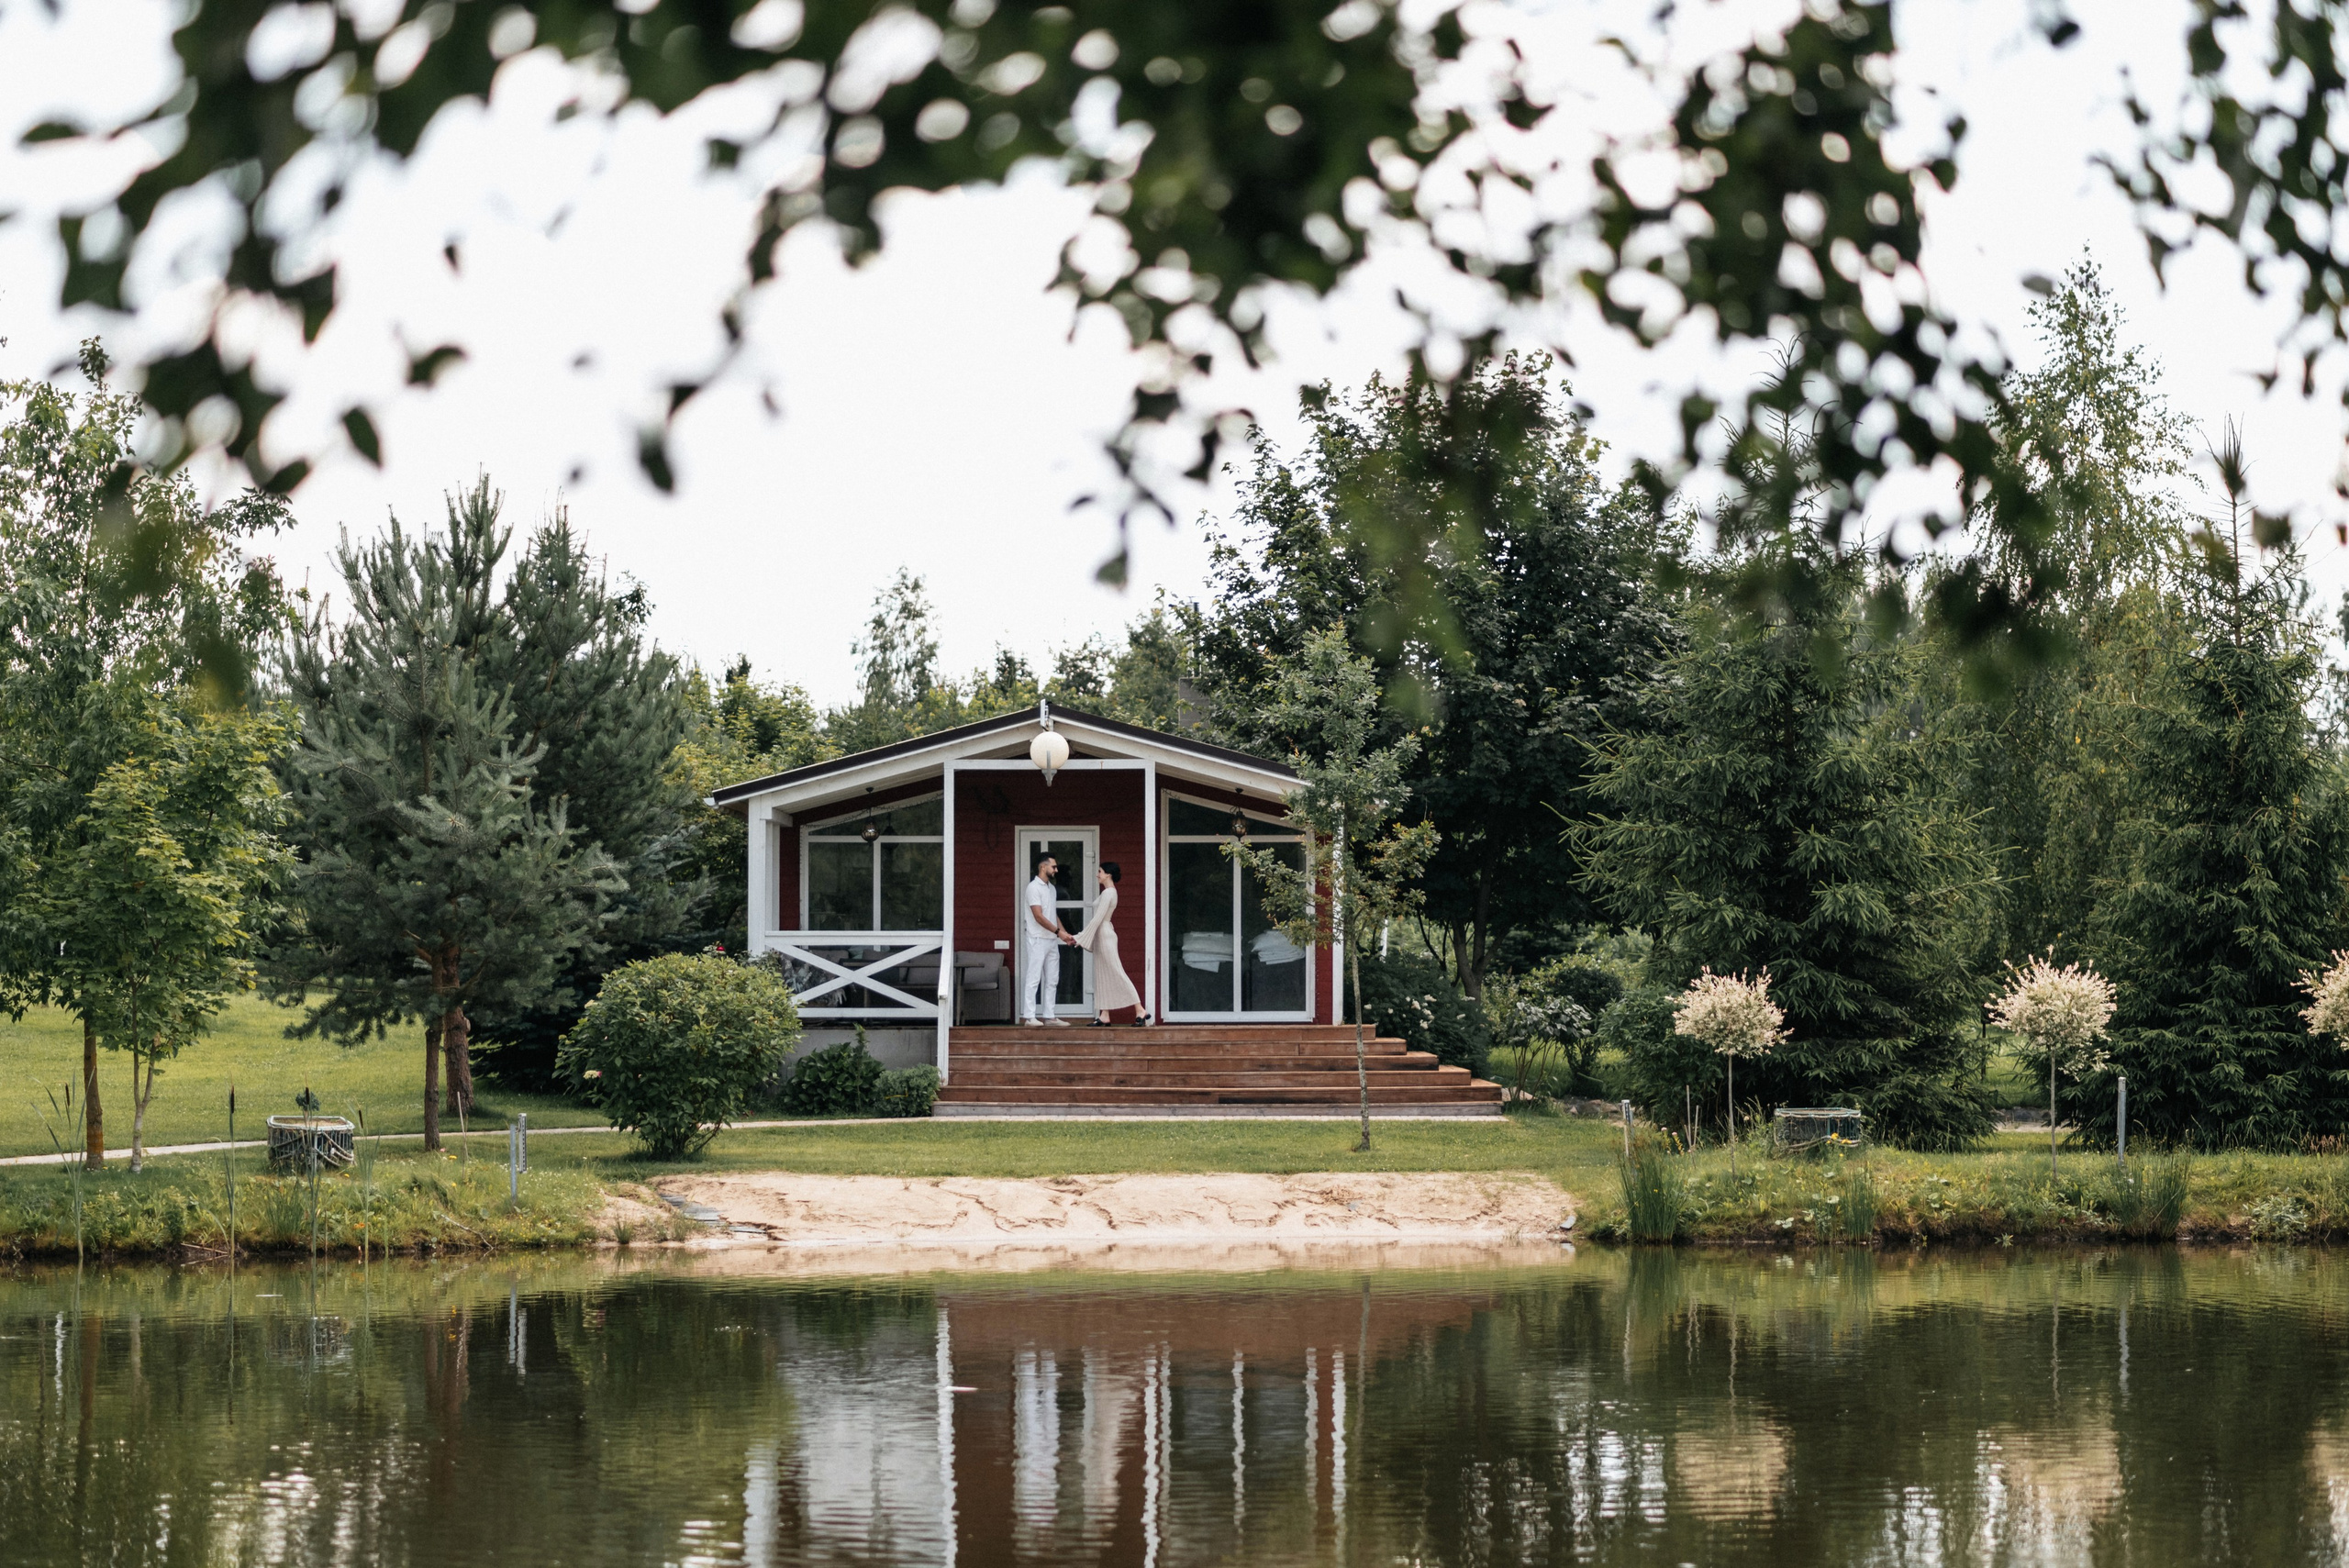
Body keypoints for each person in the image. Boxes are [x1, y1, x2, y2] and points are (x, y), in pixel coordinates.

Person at [1074, 862, 1146, 1026]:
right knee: (1102, 974)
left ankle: (1140, 1009)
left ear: (1108, 874)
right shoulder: (1108, 892)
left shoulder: (1109, 893)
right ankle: (1104, 1014)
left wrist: (1081, 937)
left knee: (1116, 972)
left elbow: (1098, 919)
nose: (1097, 874)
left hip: (1105, 934)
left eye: (1100, 871)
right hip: (1102, 934)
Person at [1019, 853, 1077, 1026]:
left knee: (1053, 978)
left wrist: (1064, 934)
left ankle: (1049, 1016)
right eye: (1054, 866)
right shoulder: (1033, 888)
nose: (1056, 870)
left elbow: (1052, 914)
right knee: (1034, 977)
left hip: (1051, 940)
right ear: (1043, 867)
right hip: (1037, 938)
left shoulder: (1051, 889)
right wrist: (1059, 932)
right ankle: (1029, 1016)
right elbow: (1038, 916)